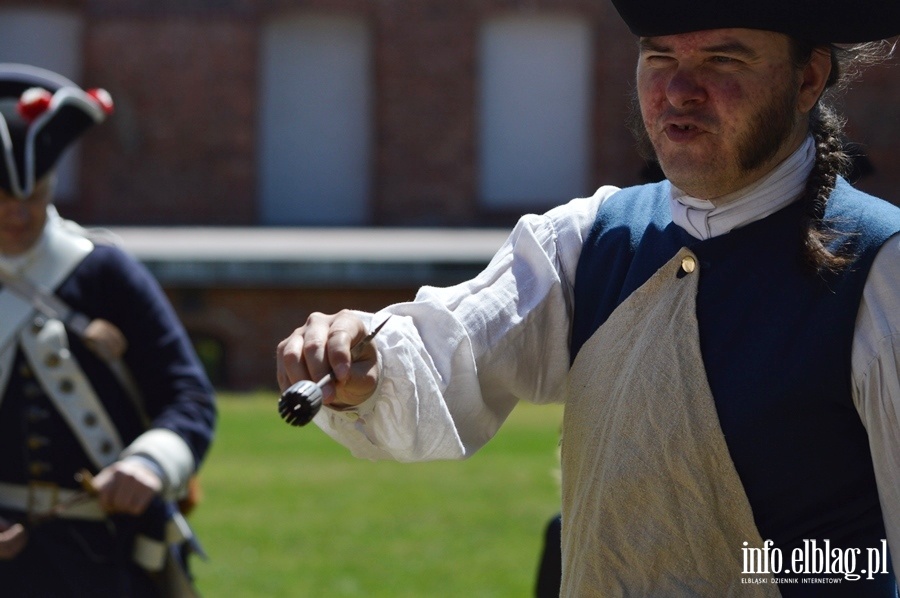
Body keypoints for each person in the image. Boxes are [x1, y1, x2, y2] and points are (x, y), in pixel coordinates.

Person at [277, 1, 900, 595]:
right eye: (658, 58)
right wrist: (366, 361)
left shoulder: (882, 267)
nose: (679, 90)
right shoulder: (592, 238)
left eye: (723, 61)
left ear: (808, 78)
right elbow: (454, 345)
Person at [0, 64, 216, 597]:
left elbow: (187, 394)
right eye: (2, 202)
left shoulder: (104, 269)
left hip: (108, 556)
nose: (19, 217)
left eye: (33, 197)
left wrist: (149, 462)